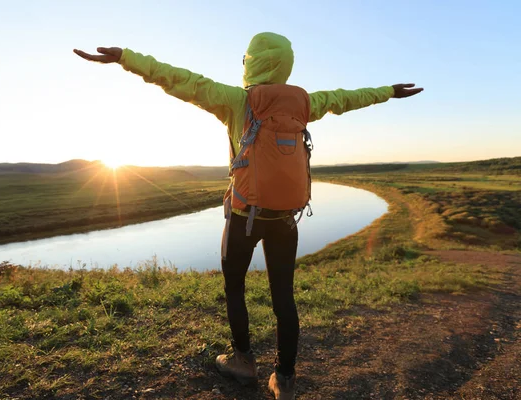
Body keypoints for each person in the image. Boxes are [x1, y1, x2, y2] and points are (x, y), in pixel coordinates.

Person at [74, 32, 423, 400]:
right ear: (285, 64)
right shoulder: (305, 103)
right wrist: (388, 91)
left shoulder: (236, 101)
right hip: (286, 218)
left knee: (235, 287)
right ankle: (285, 380)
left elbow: (177, 78)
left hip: (244, 216)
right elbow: (347, 99)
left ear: (251, 62)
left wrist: (126, 57)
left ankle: (243, 362)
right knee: (283, 298)